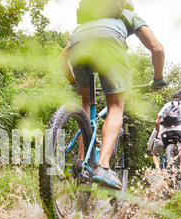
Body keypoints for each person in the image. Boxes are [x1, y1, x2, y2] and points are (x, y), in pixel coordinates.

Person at [60, 0, 166, 190]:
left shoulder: (83, 25)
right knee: (115, 107)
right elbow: (157, 49)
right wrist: (158, 78)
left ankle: (81, 162)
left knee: (86, 103)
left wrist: (74, 83)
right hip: (109, 44)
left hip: (79, 46)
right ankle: (103, 166)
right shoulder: (127, 14)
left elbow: (61, 59)